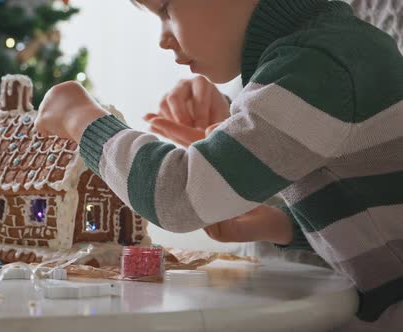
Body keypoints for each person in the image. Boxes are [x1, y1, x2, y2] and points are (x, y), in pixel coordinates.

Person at [34, 0, 403, 330]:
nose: (163, 39)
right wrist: (279, 224)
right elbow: (376, 210)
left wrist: (82, 120)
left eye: (165, 10)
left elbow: (176, 196)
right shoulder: (325, 52)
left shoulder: (319, 66)